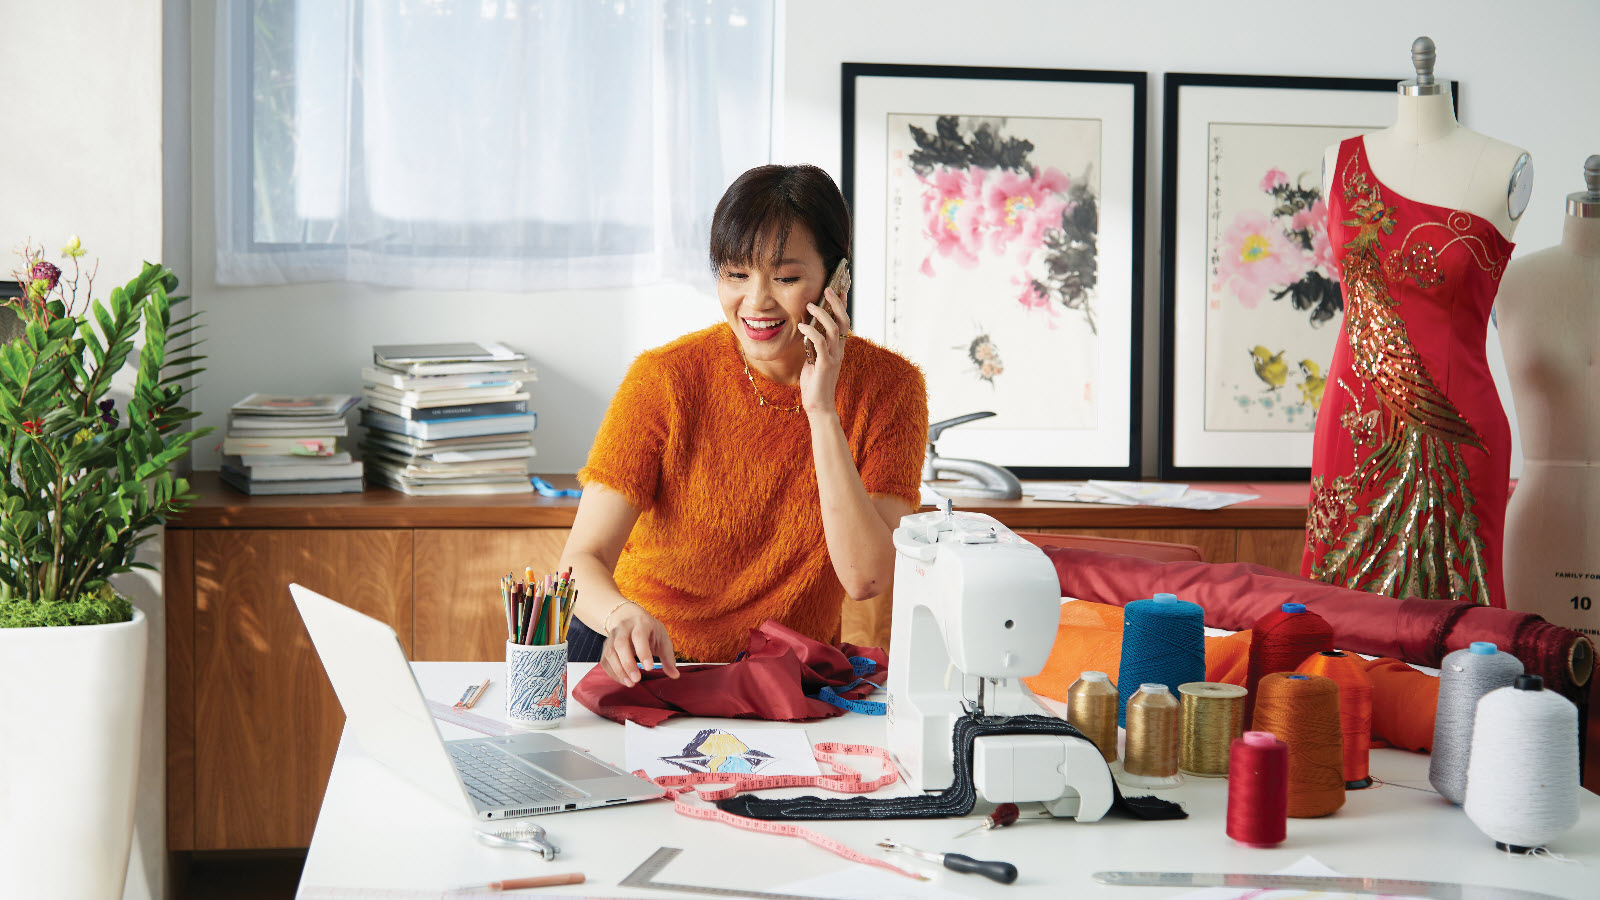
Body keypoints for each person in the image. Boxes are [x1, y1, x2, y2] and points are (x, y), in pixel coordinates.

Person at [559, 164, 929, 686]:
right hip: (639, 657)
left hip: (786, 675)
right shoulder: (664, 379)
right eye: (736, 274)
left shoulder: (890, 388)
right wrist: (621, 615)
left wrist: (821, 410)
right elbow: (582, 559)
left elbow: (867, 578)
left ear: (836, 279)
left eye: (785, 277)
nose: (756, 302)